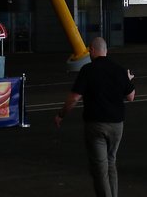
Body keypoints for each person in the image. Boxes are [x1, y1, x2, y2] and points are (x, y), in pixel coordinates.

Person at [53, 37, 136, 197]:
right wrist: (127, 80)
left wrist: (61, 114)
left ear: (91, 50)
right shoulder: (119, 70)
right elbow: (131, 96)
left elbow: (74, 98)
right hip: (117, 125)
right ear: (106, 50)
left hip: (96, 125)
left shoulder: (87, 70)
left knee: (99, 168)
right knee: (111, 162)